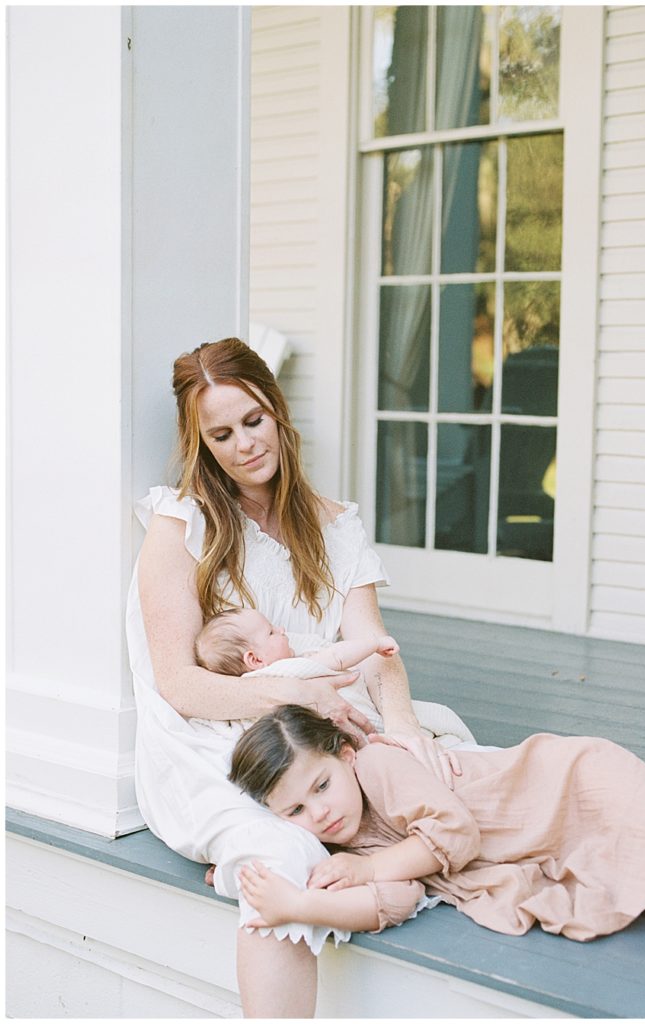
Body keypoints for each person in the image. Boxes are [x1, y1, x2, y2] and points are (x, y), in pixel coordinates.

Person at [124, 337, 464, 1018]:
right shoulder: (181, 524)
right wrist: (293, 691)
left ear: (276, 411)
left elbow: (374, 649)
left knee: (443, 776)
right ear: (201, 443)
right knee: (280, 848)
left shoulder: (335, 524)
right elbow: (179, 684)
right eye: (220, 434)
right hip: (211, 737)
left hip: (322, 723)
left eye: (253, 421)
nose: (244, 445)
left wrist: (401, 727)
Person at [230, 706, 645, 941]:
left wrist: (367, 870)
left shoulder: (375, 766)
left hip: (565, 791)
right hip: (550, 856)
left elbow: (453, 831)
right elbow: (395, 900)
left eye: (320, 787)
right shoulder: (345, 844)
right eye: (295, 811)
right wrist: (302, 902)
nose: (319, 812)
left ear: (344, 754)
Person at [191, 607, 475, 747]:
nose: (281, 629)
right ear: (255, 659)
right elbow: (337, 657)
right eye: (271, 632)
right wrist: (374, 645)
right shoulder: (290, 669)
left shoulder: (246, 687)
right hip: (363, 720)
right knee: (439, 716)